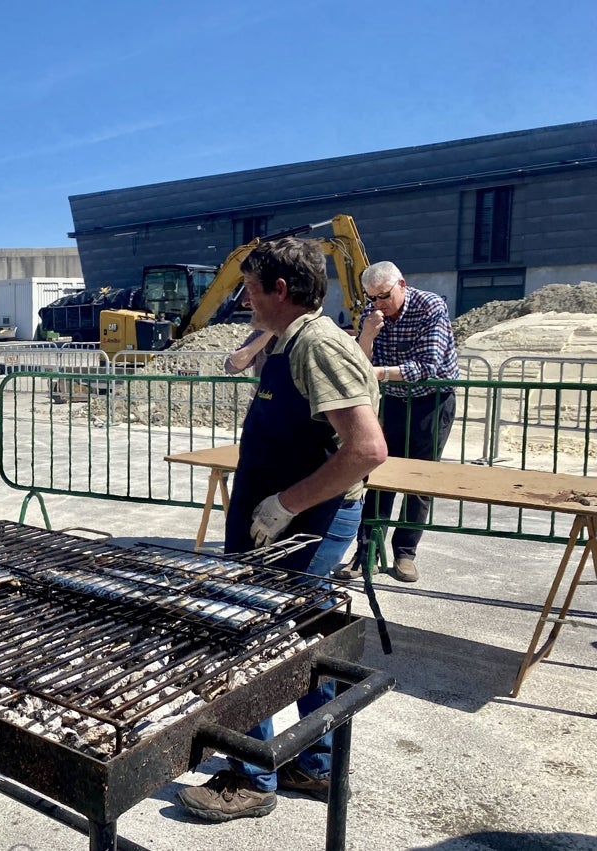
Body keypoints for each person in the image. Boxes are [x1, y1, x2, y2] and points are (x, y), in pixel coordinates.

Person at [176, 237, 387, 823]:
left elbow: (367, 449)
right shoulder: (289, 337)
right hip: (283, 517)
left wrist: (283, 506)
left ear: (281, 290)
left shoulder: (318, 346)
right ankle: (314, 763)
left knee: (256, 637)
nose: (242, 297)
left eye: (251, 287)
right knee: (308, 637)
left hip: (302, 522)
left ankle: (252, 774)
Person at [336, 261, 459, 583]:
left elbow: (428, 365)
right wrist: (367, 336)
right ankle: (367, 552)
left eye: (385, 296)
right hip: (392, 401)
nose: (378, 304)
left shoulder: (429, 305)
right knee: (376, 475)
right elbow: (360, 362)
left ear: (402, 285)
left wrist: (378, 374)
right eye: (372, 298)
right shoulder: (371, 315)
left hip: (432, 402)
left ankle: (405, 553)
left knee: (419, 481)